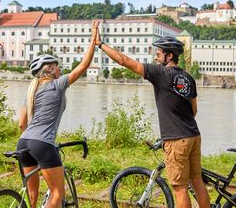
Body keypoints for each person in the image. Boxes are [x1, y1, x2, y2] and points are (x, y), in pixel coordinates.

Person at [96, 33, 210, 208]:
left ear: (169, 55)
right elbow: (194, 110)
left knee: (179, 189)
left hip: (176, 139)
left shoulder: (160, 73)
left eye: (159, 52)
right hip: (194, 135)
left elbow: (124, 61)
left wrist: (101, 44)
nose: (156, 55)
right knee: (197, 181)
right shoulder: (188, 78)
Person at [17, 21, 99, 208]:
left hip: (23, 142)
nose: (60, 69)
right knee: (57, 193)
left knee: (31, 194)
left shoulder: (32, 91)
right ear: (50, 70)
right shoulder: (57, 84)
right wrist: (93, 39)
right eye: (57, 66)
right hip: (43, 143)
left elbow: (22, 123)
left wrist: (31, 141)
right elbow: (83, 66)